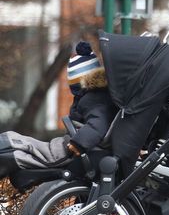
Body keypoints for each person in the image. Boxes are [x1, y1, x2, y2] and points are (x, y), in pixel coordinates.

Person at [0, 41, 117, 176]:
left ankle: (10, 142)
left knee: (41, 151)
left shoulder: (95, 99)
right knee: (39, 149)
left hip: (74, 147)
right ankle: (11, 142)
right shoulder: (94, 96)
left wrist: (79, 144)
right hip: (72, 142)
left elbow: (97, 125)